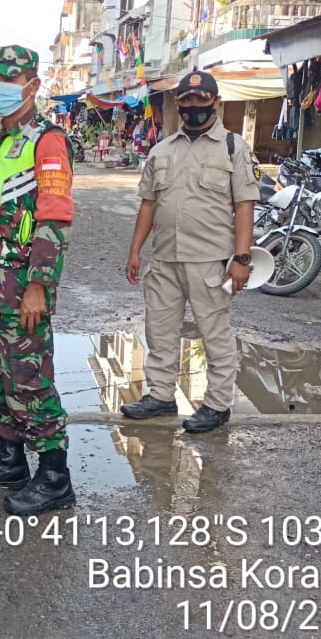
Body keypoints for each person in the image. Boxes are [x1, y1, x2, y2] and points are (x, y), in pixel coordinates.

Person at [0, 46, 76, 516]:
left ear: (33, 85)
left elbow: (54, 216)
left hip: (20, 286)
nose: (0, 86)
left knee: (29, 381)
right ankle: (10, 460)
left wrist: (39, 285)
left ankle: (54, 476)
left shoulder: (47, 142)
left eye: (12, 76)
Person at [121, 70, 260, 433]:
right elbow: (148, 205)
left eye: (201, 100)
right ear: (178, 102)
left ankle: (217, 404)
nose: (193, 106)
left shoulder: (234, 148)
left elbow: (245, 205)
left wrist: (242, 259)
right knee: (160, 331)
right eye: (187, 100)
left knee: (215, 333)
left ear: (215, 102)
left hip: (210, 260)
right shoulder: (161, 150)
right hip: (165, 258)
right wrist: (136, 251)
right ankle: (161, 395)